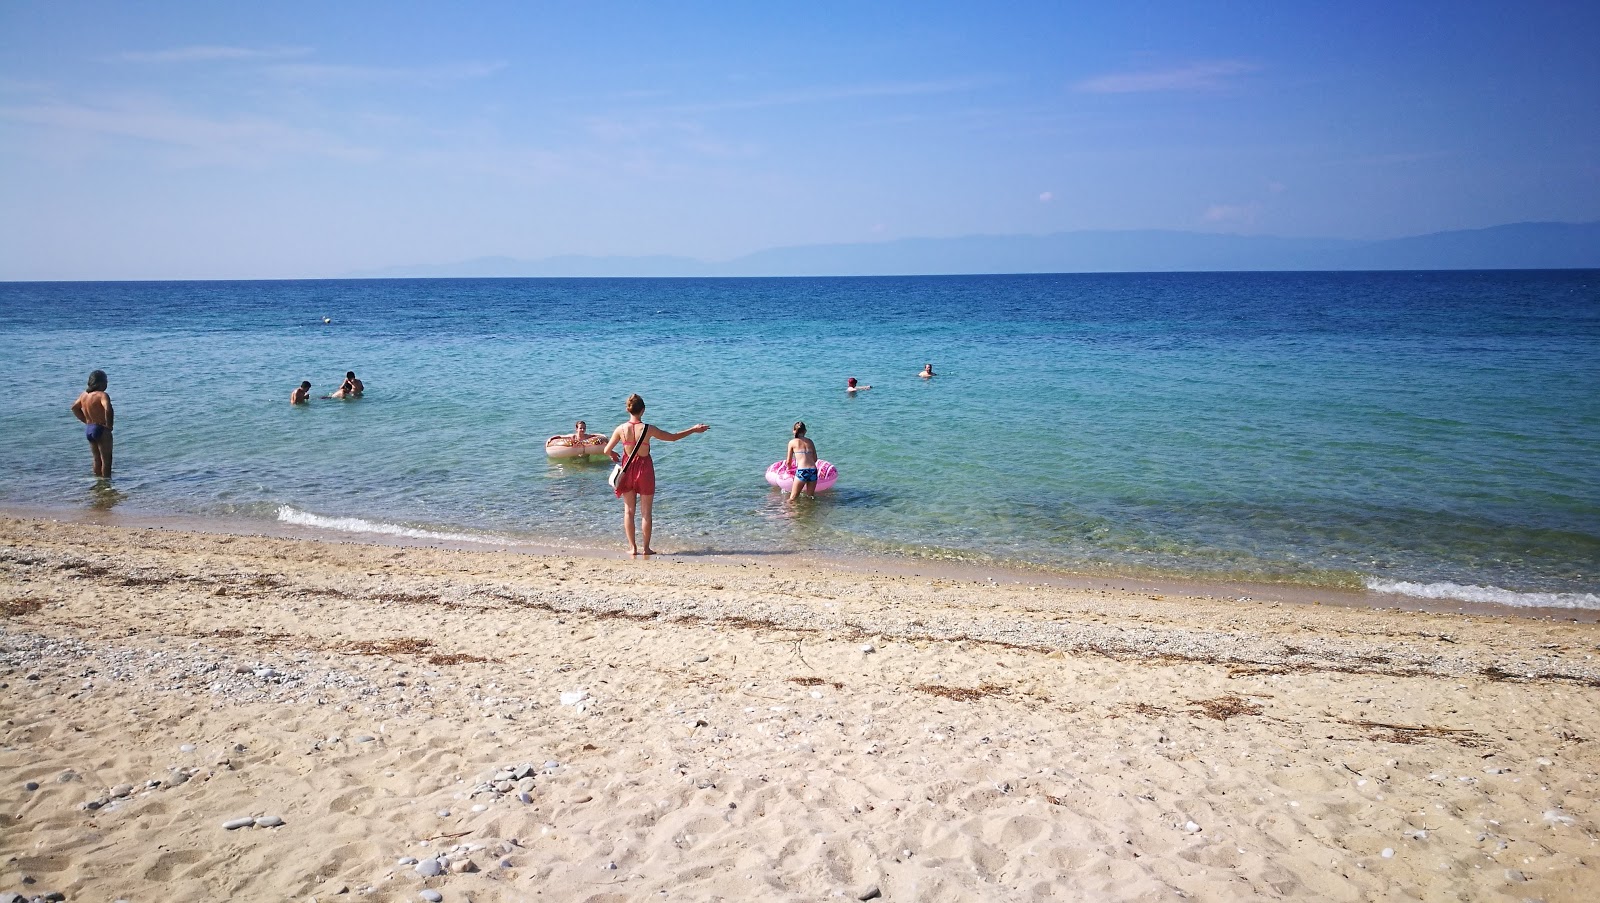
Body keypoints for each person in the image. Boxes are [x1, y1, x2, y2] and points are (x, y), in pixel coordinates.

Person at [602, 393, 710, 556]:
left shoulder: (621, 429)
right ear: (643, 410)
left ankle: (633, 548)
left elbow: (606, 450)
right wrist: (693, 430)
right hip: (644, 470)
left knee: (628, 511)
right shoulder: (648, 429)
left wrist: (613, 455)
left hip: (627, 469)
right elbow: (672, 438)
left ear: (627, 409)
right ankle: (646, 548)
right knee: (646, 512)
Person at [70, 369, 114, 477]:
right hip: (101, 429)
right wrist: (109, 425)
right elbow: (108, 408)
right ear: (100, 383)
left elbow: (74, 408)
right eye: (106, 381)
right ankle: (107, 485)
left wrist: (85, 420)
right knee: (106, 460)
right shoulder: (102, 395)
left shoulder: (84, 395)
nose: (107, 384)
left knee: (96, 459)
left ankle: (98, 481)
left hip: (90, 429)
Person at [784, 421, 819, 501]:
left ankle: (786, 512)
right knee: (810, 497)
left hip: (802, 471)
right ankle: (809, 512)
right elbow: (815, 459)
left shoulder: (792, 442)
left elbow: (788, 461)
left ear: (793, 431)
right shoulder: (810, 441)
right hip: (813, 470)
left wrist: (789, 469)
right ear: (805, 431)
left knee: (792, 498)